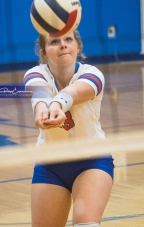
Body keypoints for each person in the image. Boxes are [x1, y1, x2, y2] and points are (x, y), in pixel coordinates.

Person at [24, 30, 114, 227]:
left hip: (92, 161)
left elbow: (73, 92)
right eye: (54, 42)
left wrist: (55, 105)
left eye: (68, 39)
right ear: (44, 52)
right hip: (50, 164)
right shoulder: (35, 73)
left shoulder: (92, 74)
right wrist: (42, 110)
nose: (63, 45)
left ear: (78, 47)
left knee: (85, 223)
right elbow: (39, 94)